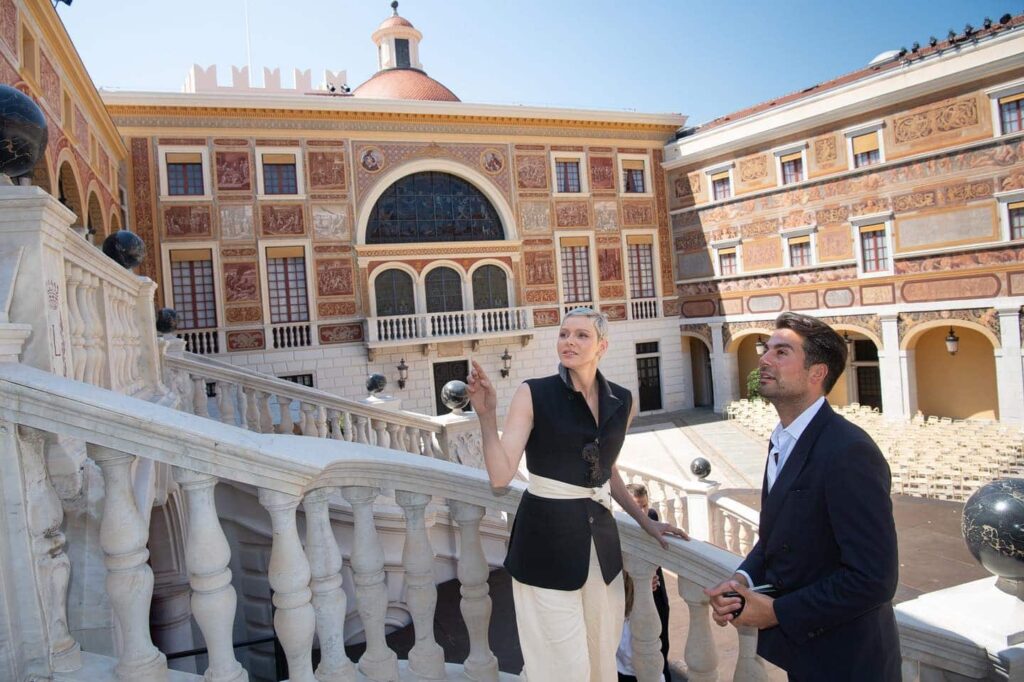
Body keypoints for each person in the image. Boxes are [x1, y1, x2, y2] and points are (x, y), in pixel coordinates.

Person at [467, 307, 688, 682]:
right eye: (564, 333)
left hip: (600, 548)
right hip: (544, 546)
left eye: (581, 335)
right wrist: (487, 417)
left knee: (602, 658)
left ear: (602, 345)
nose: (569, 341)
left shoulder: (623, 400)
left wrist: (644, 522)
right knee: (562, 666)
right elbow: (501, 476)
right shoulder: (533, 393)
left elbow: (607, 469)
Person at [704, 312, 901, 681]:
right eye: (767, 349)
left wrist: (778, 612)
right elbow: (777, 537)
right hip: (808, 659)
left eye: (782, 352)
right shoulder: (782, 440)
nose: (763, 358)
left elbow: (873, 579)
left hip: (850, 662)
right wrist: (742, 582)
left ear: (816, 373)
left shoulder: (848, 451)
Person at [624, 483, 671, 682]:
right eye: (637, 506)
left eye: (644, 506)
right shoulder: (618, 525)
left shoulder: (651, 517)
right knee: (632, 648)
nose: (642, 512)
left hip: (656, 593)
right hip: (629, 597)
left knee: (661, 642)